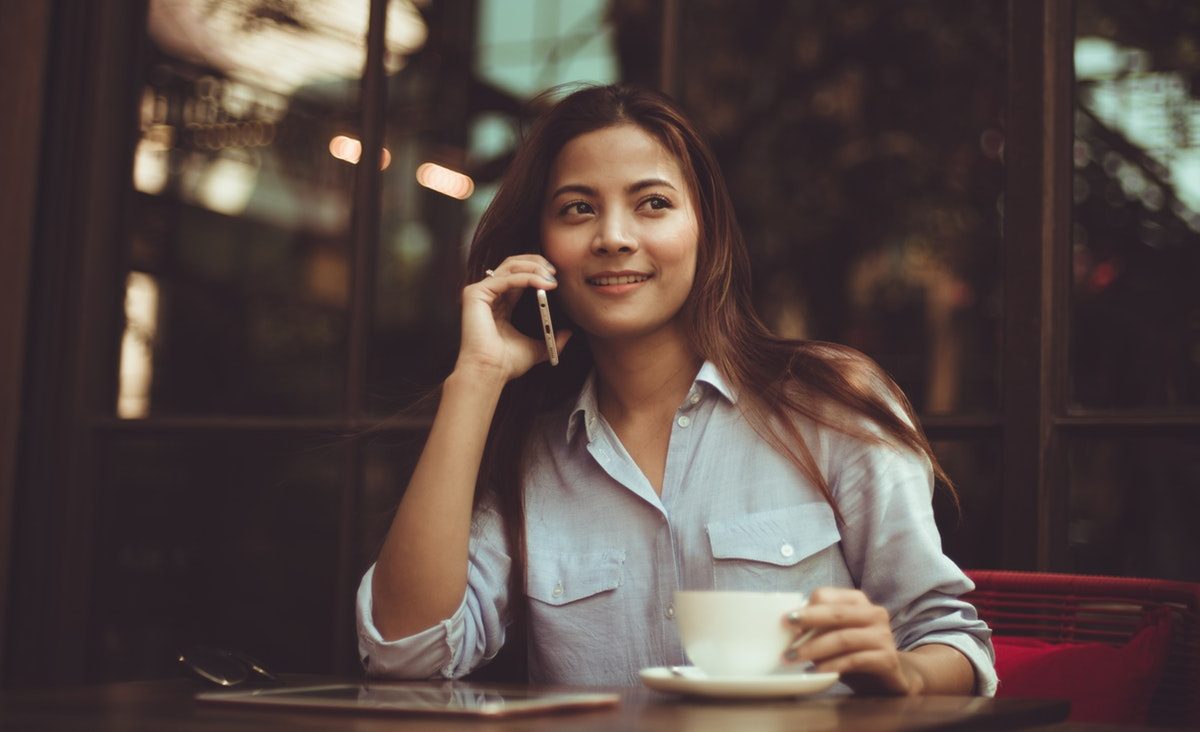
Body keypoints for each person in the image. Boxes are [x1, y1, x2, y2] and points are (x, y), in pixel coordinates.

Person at [357, 83, 997, 696]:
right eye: (578, 208)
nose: (612, 236)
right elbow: (405, 653)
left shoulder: (828, 406)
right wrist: (476, 378)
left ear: (704, 230)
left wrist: (903, 674)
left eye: (653, 203)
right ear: (542, 248)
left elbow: (951, 640)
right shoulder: (529, 455)